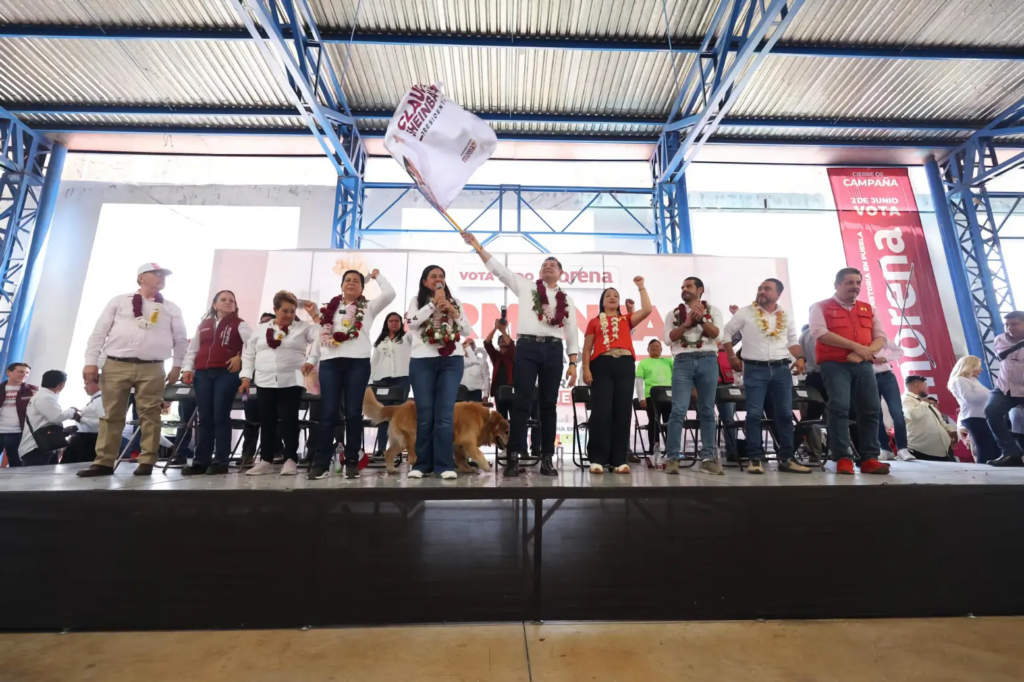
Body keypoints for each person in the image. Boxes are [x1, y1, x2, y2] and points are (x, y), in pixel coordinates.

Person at [462, 232, 579, 477]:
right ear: (540, 273)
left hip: (554, 349)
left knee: (548, 404)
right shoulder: (526, 287)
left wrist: (573, 363)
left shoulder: (566, 299)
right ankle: (513, 456)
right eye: (544, 265)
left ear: (560, 273)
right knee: (521, 402)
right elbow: (499, 270)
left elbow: (571, 331)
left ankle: (547, 457)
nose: (547, 267)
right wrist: (477, 245)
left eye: (552, 266)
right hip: (526, 347)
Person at [77, 263, 188, 477]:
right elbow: (100, 332)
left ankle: (147, 460)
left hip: (153, 367)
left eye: (164, 275)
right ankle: (104, 462)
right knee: (111, 414)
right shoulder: (119, 301)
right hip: (116, 364)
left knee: (151, 414)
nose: (161, 278)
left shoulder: (171, 307)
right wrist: (91, 361)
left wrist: (177, 365)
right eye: (156, 274)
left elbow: (180, 339)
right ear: (140, 278)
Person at [308, 268, 395, 480]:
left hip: (358, 363)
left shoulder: (369, 307)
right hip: (330, 363)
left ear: (362, 287)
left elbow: (390, 294)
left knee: (354, 413)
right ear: (341, 286)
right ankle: (321, 463)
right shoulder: (330, 309)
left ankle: (352, 461)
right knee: (328, 413)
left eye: (356, 281)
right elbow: (321, 335)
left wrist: (376, 276)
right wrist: (311, 359)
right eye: (347, 280)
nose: (351, 283)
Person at [722, 278, 811, 474]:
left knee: (785, 415)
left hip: (782, 369)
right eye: (760, 288)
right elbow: (726, 333)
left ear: (778, 294)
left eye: (767, 289)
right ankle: (755, 459)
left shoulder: (786, 315)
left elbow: (792, 341)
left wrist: (801, 358)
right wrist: (730, 356)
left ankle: (787, 458)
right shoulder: (745, 312)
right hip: (754, 369)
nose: (762, 291)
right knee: (754, 415)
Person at [808, 267, 889, 475]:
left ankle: (869, 458)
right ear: (837, 285)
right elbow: (820, 333)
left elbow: (880, 337)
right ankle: (842, 458)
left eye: (858, 283)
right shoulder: (820, 307)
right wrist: (856, 347)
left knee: (871, 409)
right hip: (834, 365)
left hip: (863, 365)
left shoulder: (868, 309)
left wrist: (864, 353)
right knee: (839, 409)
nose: (855, 287)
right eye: (850, 283)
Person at [241, 291, 320, 476]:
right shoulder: (261, 330)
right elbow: (249, 354)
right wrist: (245, 377)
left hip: (292, 380)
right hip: (264, 380)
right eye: (285, 311)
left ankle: (290, 459)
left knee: (289, 419)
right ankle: (266, 459)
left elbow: (321, 334)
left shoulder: (302, 327)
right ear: (275, 309)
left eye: (292, 311)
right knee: (266, 419)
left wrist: (314, 314)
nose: (289, 315)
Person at [404, 264, 471, 480]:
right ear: (425, 282)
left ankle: (444, 465)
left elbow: (467, 330)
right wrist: (432, 305)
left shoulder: (455, 302)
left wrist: (453, 312)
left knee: (443, 415)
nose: (438, 279)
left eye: (441, 276)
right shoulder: (417, 301)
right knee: (425, 415)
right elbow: (412, 323)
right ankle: (422, 464)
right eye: (433, 276)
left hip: (451, 361)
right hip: (422, 361)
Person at [582, 277, 651, 473]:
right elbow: (587, 348)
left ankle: (619, 460)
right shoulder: (594, 322)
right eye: (608, 295)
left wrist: (641, 287)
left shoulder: (626, 319)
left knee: (623, 412)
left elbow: (647, 310)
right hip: (601, 364)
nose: (612, 297)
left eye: (616, 296)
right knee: (602, 412)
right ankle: (597, 458)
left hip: (625, 364)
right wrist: (586, 368)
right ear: (602, 302)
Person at [180, 290, 252, 475]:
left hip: (226, 373)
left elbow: (253, 347)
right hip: (202, 374)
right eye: (223, 299)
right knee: (204, 418)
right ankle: (200, 461)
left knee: (220, 416)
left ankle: (221, 461)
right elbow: (192, 350)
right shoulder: (203, 325)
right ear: (214, 304)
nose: (228, 302)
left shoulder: (240, 324)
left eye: (232, 300)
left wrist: (240, 358)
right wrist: (187, 368)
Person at [663, 276, 723, 475]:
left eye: (688, 286)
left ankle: (707, 458)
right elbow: (668, 339)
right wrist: (687, 323)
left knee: (706, 410)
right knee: (678, 410)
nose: (684, 289)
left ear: (700, 289)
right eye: (682, 287)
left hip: (708, 359)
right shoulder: (673, 313)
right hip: (682, 361)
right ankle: (672, 458)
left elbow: (717, 335)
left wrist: (702, 320)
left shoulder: (713, 311)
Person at [985, 311, 1024, 467]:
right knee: (992, 411)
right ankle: (1010, 453)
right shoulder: (999, 339)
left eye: (1014, 324)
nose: (1009, 328)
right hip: (1004, 387)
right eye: (1006, 324)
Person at [370, 312, 411, 457]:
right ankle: (381, 448)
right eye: (391, 321)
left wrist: (410, 319)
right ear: (386, 323)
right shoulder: (380, 341)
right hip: (382, 380)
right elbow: (374, 361)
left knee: (400, 416)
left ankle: (398, 449)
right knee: (383, 415)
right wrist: (370, 381)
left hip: (402, 378)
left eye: (397, 321)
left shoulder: (406, 338)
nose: (394, 323)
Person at [947, 355, 1000, 464]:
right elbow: (969, 398)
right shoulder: (959, 380)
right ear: (969, 367)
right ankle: (985, 473)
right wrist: (992, 394)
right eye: (978, 367)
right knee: (984, 448)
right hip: (974, 417)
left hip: (982, 416)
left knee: (992, 447)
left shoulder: (973, 380)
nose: (981, 370)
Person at [19, 370, 78, 466]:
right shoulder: (45, 397)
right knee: (35, 479)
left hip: (44, 445)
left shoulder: (44, 395)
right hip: (37, 447)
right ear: (61, 384)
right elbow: (57, 417)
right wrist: (72, 410)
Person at [241, 311, 276, 467]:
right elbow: (247, 358)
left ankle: (274, 453)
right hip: (251, 386)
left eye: (268, 321)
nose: (264, 324)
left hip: (272, 385)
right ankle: (247, 454)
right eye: (261, 322)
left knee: (273, 420)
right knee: (250, 421)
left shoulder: (280, 339)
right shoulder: (255, 339)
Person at [873, 340, 913, 461]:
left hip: (886, 375)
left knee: (897, 412)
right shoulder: (858, 338)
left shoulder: (878, 337)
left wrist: (885, 357)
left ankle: (902, 448)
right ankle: (884, 448)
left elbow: (899, 351)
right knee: (876, 413)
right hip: (868, 376)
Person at [903, 375, 958, 461]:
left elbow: (940, 420)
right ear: (916, 384)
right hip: (922, 452)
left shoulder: (922, 400)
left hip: (944, 451)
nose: (927, 387)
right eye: (925, 384)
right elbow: (913, 415)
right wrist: (924, 404)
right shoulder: (906, 399)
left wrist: (951, 430)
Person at [635, 339, 673, 457]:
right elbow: (639, 382)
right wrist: (641, 398)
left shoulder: (669, 361)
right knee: (654, 423)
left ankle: (671, 450)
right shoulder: (643, 363)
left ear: (661, 349)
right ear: (648, 349)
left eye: (657, 346)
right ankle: (653, 450)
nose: (655, 348)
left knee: (669, 423)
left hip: (669, 397)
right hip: (651, 398)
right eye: (652, 346)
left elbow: (678, 377)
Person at [62, 373, 104, 463]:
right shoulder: (96, 399)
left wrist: (80, 419)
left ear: (99, 384)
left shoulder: (102, 400)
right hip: (81, 439)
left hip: (89, 441)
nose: (85, 387)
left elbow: (103, 422)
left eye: (87, 384)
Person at [0, 362, 36, 467]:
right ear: (8, 373)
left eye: (27, 373)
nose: (24, 375)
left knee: (16, 465)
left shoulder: (32, 391)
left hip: (18, 433)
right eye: (20, 371)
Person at [460, 338, 489, 402]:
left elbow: (486, 378)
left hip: (476, 393)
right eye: (466, 343)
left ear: (475, 346)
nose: (469, 345)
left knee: (475, 412)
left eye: (471, 343)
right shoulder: (459, 361)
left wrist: (486, 395)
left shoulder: (482, 361)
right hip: (460, 392)